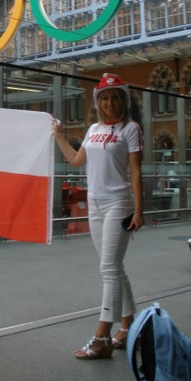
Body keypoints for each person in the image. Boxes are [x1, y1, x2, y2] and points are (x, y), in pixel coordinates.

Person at [53, 73, 145, 360]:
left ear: (123, 100)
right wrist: (58, 136)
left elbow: (135, 171)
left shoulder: (130, 129)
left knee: (109, 268)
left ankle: (102, 335)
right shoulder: (93, 129)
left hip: (119, 202)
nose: (109, 103)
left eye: (114, 97)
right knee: (114, 268)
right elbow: (76, 160)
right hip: (94, 204)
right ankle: (128, 326)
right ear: (98, 101)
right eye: (104, 98)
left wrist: (139, 210)